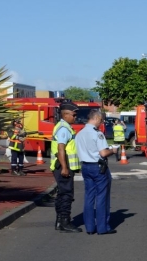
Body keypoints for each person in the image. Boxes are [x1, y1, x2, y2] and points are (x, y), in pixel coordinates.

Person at [75, 109, 118, 235]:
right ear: (97, 118)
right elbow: (103, 153)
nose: (101, 123)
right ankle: (102, 227)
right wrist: (113, 151)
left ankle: (89, 227)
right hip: (98, 167)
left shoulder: (80, 133)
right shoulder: (97, 134)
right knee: (102, 197)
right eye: (101, 120)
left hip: (85, 167)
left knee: (89, 196)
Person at [51, 101, 83, 233]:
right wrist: (64, 167)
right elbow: (61, 148)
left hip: (62, 165)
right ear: (65, 114)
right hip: (63, 166)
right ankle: (65, 222)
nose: (75, 117)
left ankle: (59, 221)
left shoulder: (63, 126)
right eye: (74, 115)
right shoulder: (64, 129)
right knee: (66, 194)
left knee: (62, 193)